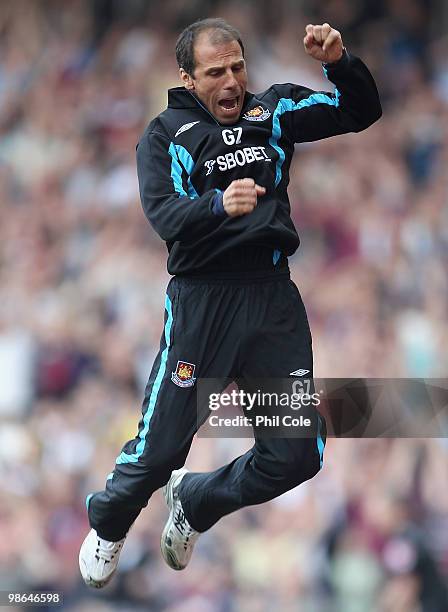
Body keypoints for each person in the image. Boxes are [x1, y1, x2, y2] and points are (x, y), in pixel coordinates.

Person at [79, 18, 381, 587]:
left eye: (237, 67)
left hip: (271, 302)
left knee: (297, 457)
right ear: (188, 78)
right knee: (161, 448)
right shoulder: (165, 135)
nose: (231, 81)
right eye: (215, 71)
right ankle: (109, 525)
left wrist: (339, 62)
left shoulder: (274, 112)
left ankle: (196, 503)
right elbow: (164, 216)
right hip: (202, 305)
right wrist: (219, 205)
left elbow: (359, 112)